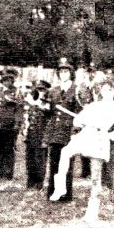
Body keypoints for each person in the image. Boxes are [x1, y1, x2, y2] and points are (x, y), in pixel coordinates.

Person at [49, 76, 114, 221]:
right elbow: (78, 120)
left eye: (109, 90)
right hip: (86, 134)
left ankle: (92, 212)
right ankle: (60, 187)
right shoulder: (94, 105)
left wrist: (110, 135)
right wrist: (80, 121)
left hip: (100, 138)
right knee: (65, 152)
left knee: (95, 177)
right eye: (104, 90)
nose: (106, 92)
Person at [44, 58, 84, 202]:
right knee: (54, 162)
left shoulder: (77, 89)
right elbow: (49, 111)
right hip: (55, 131)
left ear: (71, 73)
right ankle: (53, 192)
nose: (63, 74)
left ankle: (65, 194)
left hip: (68, 131)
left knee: (67, 164)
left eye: (66, 71)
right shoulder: (53, 90)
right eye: (61, 72)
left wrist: (75, 131)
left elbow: (80, 112)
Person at [0, 69, 23, 181]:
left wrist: (17, 124)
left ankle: (8, 172)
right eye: (5, 80)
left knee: (9, 149)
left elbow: (19, 109)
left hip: (10, 125)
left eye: (10, 80)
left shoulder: (17, 92)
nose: (7, 82)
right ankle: (0, 172)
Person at [22, 80, 51, 190]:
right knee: (30, 159)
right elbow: (27, 117)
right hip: (31, 134)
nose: (40, 92)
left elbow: (47, 112)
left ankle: (39, 183)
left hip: (42, 134)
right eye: (38, 89)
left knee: (40, 159)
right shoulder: (32, 102)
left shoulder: (47, 102)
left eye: (42, 90)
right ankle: (30, 182)